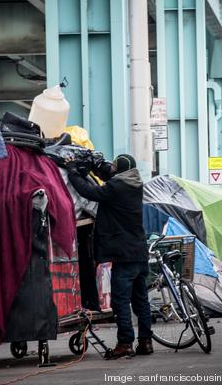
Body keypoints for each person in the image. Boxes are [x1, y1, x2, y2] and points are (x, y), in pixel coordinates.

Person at [66, 154, 152, 359]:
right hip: (139, 254)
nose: (111, 168)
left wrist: (73, 172)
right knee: (141, 301)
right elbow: (110, 177)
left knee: (121, 301)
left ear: (120, 169)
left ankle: (125, 344)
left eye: (114, 166)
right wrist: (93, 168)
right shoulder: (135, 184)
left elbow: (90, 191)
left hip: (123, 256)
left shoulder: (116, 188)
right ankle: (145, 342)